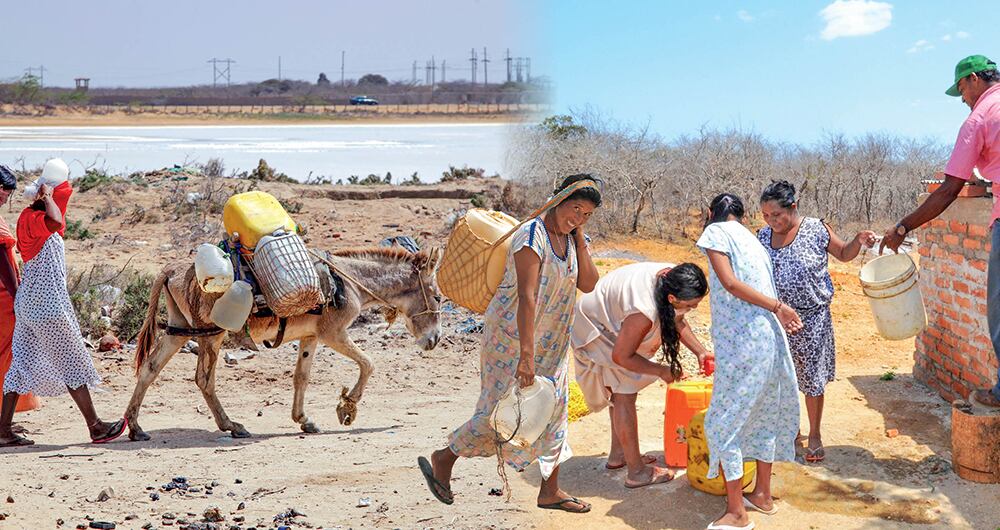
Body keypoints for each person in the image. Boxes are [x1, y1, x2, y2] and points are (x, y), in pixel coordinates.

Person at [418, 174, 602, 513]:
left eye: (587, 215)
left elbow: (589, 283)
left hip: (553, 342)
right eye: (575, 209)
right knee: (499, 413)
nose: (578, 218)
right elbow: (526, 296)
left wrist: (580, 235)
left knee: (555, 411)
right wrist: (526, 357)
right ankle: (445, 458)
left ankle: (550, 490)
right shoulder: (531, 235)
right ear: (558, 199)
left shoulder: (575, 239)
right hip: (513, 340)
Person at [881, 55, 1000, 409]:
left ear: (975, 79)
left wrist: (904, 226)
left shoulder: (978, 118)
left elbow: (949, 189)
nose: (962, 98)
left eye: (962, 88)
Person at [697, 193, 801, 530]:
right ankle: (762, 496)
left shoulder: (715, 232)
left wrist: (777, 306)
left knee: (725, 420)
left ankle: (736, 514)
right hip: (769, 339)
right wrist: (777, 309)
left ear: (712, 213)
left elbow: (729, 283)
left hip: (742, 342)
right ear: (741, 215)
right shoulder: (755, 240)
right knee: (764, 414)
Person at [0, 175, 127, 447]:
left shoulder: (29, 218)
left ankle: (3, 430)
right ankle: (96, 427)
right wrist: (46, 198)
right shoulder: (36, 219)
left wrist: (47, 200)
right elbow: (56, 221)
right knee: (71, 361)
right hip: (47, 305)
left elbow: (58, 221)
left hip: (29, 303)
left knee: (20, 365)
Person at [758, 180, 876, 462]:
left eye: (776, 214)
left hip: (812, 318)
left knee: (812, 380)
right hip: (776, 319)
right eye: (765, 215)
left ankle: (814, 435)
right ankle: (789, 432)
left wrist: (858, 240)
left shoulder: (815, 229)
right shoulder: (762, 237)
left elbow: (844, 254)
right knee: (779, 379)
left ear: (793, 207)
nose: (771, 221)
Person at [571, 261, 711, 488]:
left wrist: (701, 351)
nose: (692, 309)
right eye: (691, 305)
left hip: (607, 317)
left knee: (622, 388)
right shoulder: (643, 311)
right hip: (594, 326)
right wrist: (660, 371)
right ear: (672, 299)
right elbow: (622, 357)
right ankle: (636, 472)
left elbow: (677, 319)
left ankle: (619, 455)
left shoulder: (671, 277)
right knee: (625, 391)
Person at [0, 166, 40, 418]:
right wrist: (18, 297)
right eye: (5, 191)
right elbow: (2, 261)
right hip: (4, 299)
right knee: (10, 356)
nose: (6, 197)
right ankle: (4, 423)